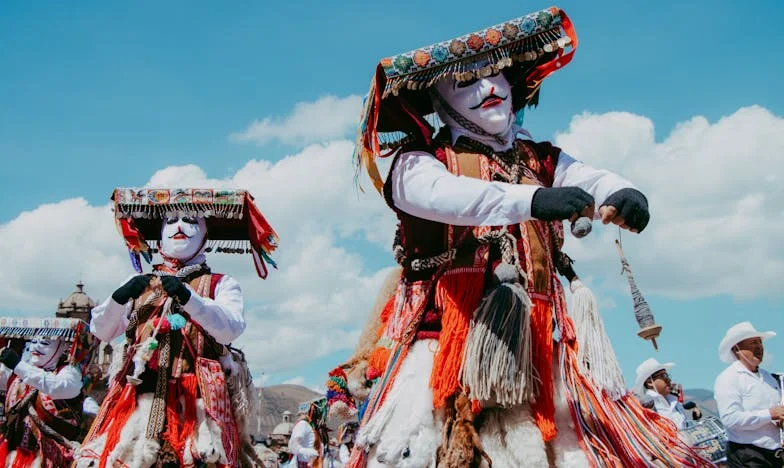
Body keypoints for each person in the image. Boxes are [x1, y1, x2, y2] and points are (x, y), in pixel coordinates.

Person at [344, 6, 709, 468]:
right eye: (465, 82)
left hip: (542, 346)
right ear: (438, 101)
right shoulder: (415, 162)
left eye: (496, 75)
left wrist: (622, 192)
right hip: (445, 350)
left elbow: (587, 177)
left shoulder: (539, 156)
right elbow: (448, 196)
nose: (490, 88)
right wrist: (532, 200)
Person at [76, 187, 278, 467]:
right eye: (170, 221)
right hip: (139, 398)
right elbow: (101, 330)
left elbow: (230, 328)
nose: (180, 226)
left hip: (199, 404)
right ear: (159, 234)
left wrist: (189, 298)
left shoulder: (221, 283)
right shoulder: (139, 284)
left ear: (205, 235)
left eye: (191, 221)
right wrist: (119, 297)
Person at [0, 318, 93, 467]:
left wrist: (18, 365)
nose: (36, 347)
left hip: (54, 460)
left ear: (63, 347)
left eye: (44, 343)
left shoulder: (69, 373)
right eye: (33, 342)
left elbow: (58, 387)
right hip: (15, 456)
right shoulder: (19, 375)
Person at [715, 321, 784, 467]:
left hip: (773, 455)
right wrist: (769, 414)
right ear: (737, 349)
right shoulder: (729, 378)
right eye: (753, 343)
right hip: (747, 455)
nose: (759, 347)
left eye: (760, 342)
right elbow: (730, 418)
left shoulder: (769, 378)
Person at [635, 358, 690, 429]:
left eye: (667, 375)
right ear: (650, 382)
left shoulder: (675, 401)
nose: (668, 379)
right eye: (663, 376)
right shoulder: (647, 405)